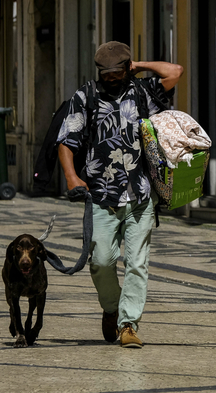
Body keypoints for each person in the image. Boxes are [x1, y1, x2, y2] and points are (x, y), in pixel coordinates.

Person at [56, 41, 182, 348]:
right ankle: (111, 308)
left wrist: (140, 65)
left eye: (117, 72)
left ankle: (128, 325)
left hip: (141, 194)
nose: (111, 78)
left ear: (127, 68)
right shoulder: (86, 96)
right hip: (101, 195)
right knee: (101, 261)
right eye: (106, 73)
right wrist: (71, 177)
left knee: (137, 264)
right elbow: (67, 140)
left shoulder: (143, 91)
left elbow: (175, 71)